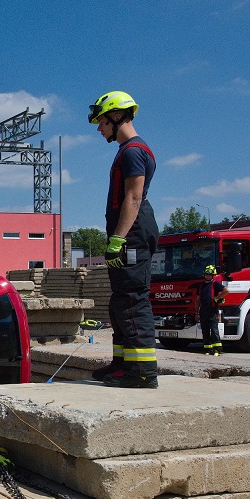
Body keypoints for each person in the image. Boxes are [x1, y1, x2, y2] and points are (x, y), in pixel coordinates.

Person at [88, 90, 160, 389]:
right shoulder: (129, 150)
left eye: (102, 121)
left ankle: (142, 372)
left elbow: (133, 196)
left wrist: (118, 238)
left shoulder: (132, 151)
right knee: (120, 301)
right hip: (129, 233)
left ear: (117, 116)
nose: (99, 127)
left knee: (132, 300)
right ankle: (123, 364)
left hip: (132, 235)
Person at [199, 264, 227, 356]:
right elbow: (197, 299)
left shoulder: (215, 284)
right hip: (203, 311)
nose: (207, 276)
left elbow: (226, 291)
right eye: (206, 274)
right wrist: (196, 312)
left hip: (212, 311)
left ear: (213, 275)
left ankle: (217, 350)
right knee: (205, 331)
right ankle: (208, 349)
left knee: (214, 330)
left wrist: (217, 298)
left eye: (209, 275)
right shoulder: (202, 285)